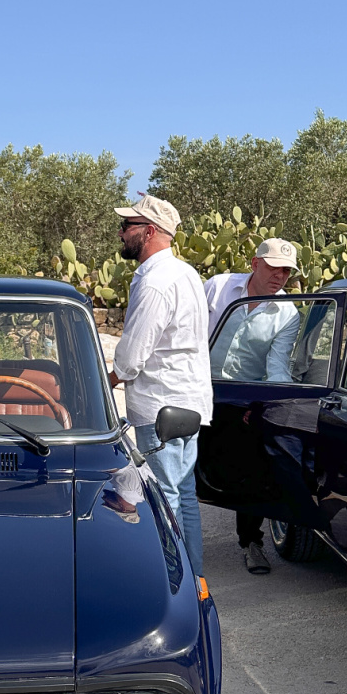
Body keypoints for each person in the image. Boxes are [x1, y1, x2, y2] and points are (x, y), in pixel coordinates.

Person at [109, 194, 211, 572]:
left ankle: (176, 580)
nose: (121, 233)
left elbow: (132, 355)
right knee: (184, 494)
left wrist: (104, 383)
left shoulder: (154, 281)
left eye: (127, 226)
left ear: (149, 231)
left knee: (164, 497)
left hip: (160, 407)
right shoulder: (186, 273)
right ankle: (196, 579)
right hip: (190, 403)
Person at [204, 238, 299, 574]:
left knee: (255, 468)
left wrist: (270, 406)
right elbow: (185, 332)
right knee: (179, 466)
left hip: (244, 397)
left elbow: (277, 367)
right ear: (256, 263)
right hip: (197, 387)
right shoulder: (217, 287)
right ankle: (175, 544)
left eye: (286, 271)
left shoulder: (288, 313)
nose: (280, 276)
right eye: (274, 267)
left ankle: (251, 543)